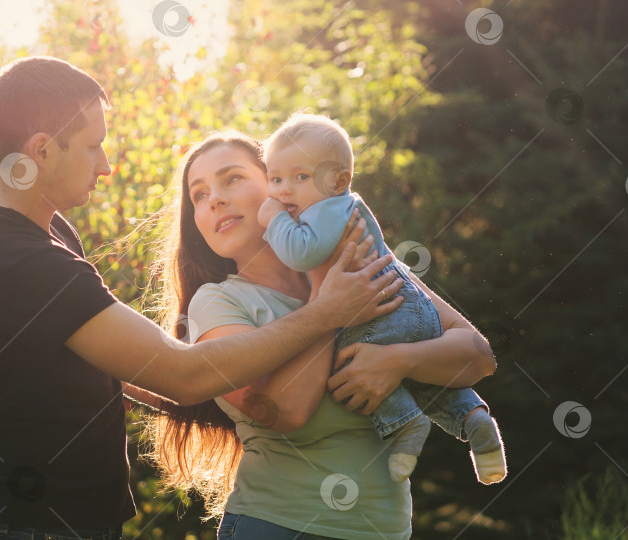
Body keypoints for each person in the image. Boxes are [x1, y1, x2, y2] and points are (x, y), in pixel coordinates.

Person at [0, 57, 398, 540]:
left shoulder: (45, 233)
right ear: (40, 150)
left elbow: (120, 368)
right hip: (30, 528)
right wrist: (325, 313)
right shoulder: (25, 262)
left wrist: (239, 398)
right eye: (93, 146)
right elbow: (184, 375)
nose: (105, 163)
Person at [143, 131, 498, 539]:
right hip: (278, 527)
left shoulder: (362, 262)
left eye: (232, 179)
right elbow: (285, 412)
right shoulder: (216, 305)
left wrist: (398, 361)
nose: (215, 199)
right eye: (199, 195)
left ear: (279, 184)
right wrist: (327, 309)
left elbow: (478, 357)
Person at [256, 113, 507, 485]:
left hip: (379, 311)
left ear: (340, 181)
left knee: (345, 363)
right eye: (275, 179)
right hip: (408, 306)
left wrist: (274, 219)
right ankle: (474, 419)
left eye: (301, 177)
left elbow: (302, 253)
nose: (284, 191)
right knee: (422, 380)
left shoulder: (326, 209)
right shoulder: (342, 207)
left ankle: (406, 426)